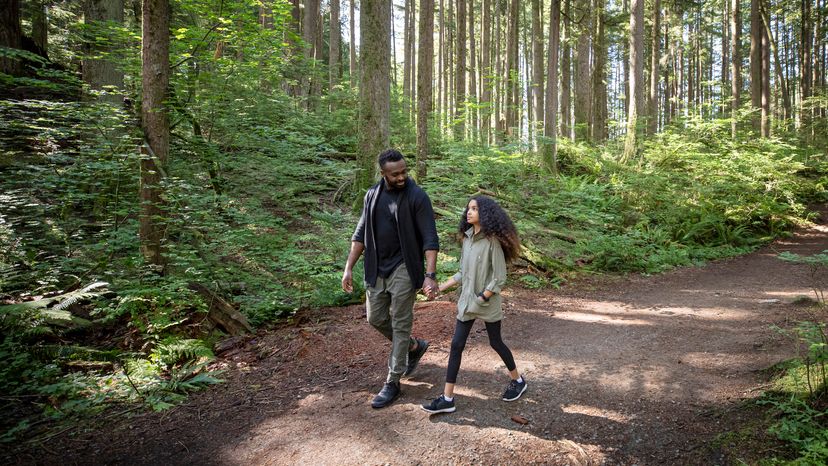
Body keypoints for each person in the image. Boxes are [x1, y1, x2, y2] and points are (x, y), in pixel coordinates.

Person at [342, 149, 439, 409]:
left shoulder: (417, 196)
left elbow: (430, 238)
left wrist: (430, 275)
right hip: (376, 268)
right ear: (383, 173)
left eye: (404, 171)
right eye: (395, 174)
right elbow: (360, 233)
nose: (401, 177)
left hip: (405, 267)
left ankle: (392, 381)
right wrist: (348, 267)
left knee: (400, 322)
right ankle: (414, 347)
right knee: (375, 318)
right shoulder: (372, 196)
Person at [422, 195, 526, 414]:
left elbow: (499, 276)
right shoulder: (467, 239)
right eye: (468, 208)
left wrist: (484, 296)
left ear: (485, 214)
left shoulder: (492, 242)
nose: (469, 212)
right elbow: (462, 272)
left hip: (486, 302)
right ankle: (448, 398)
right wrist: (440, 287)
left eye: (474, 209)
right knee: (456, 345)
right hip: (466, 302)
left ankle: (518, 380)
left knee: (496, 342)